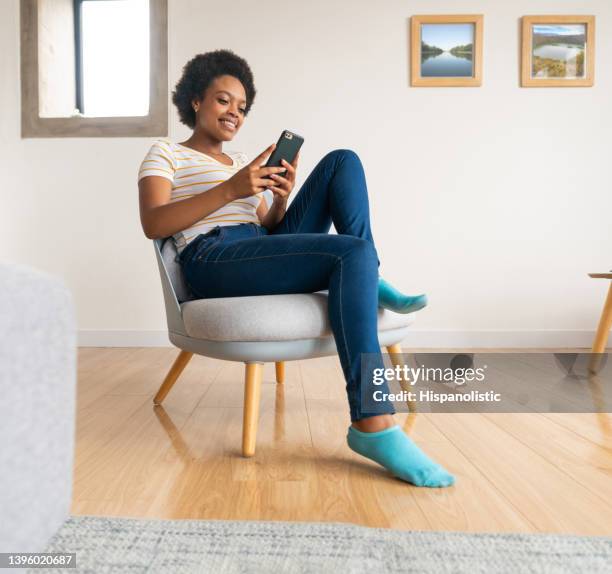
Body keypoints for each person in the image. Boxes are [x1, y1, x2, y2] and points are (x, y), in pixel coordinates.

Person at [138, 49, 454, 488]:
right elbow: (153, 222)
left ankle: (369, 273)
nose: (235, 113)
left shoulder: (241, 162)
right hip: (211, 259)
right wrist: (231, 189)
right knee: (351, 253)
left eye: (242, 107)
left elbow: (266, 225)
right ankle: (373, 423)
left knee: (342, 161)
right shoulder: (165, 154)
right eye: (224, 100)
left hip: (256, 245)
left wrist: (281, 196)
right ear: (196, 100)